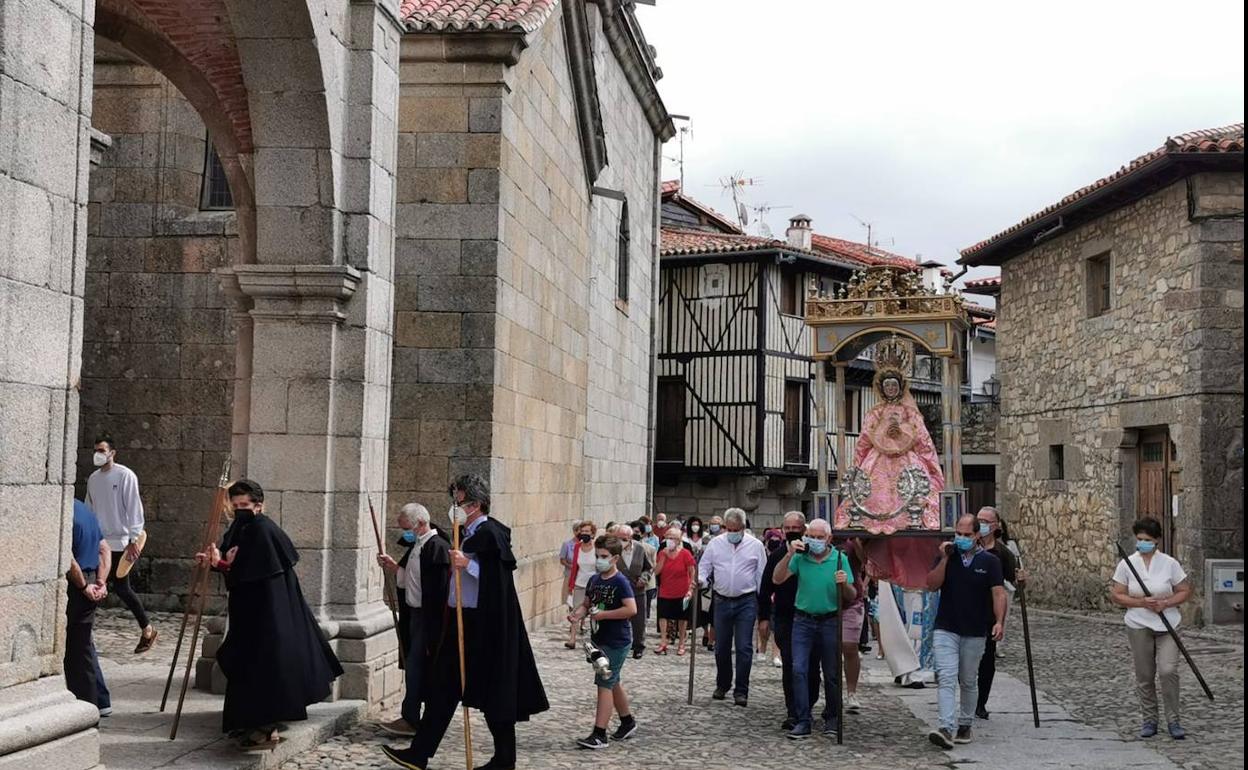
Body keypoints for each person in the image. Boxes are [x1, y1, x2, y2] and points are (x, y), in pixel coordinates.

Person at [382, 474, 549, 770]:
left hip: (484, 628)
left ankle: (504, 758)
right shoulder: (465, 532)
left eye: (459, 501)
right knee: (442, 689)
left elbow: (498, 581)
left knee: (495, 690)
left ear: (475, 503)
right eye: (454, 500)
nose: (455, 506)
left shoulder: (490, 533)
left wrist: (467, 564)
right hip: (461, 623)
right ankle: (419, 754)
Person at [196, 479, 344, 751]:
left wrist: (221, 565)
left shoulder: (264, 531)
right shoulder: (241, 528)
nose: (239, 509)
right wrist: (214, 562)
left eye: (245, 505)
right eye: (235, 505)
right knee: (243, 667)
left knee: (261, 671)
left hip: (265, 616)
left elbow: (253, 574)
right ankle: (248, 726)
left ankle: (265, 730)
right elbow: (235, 564)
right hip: (247, 613)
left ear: (259, 505)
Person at [924, 514, 1006, 749]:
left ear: (977, 535)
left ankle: (965, 723)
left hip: (975, 629)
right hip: (946, 627)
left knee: (968, 680)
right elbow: (931, 584)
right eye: (958, 534)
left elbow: (998, 592)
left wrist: (999, 621)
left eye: (966, 535)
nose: (961, 538)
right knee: (947, 676)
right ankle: (945, 727)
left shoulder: (990, 562)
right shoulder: (948, 557)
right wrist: (943, 559)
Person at [771, 518, 856, 739]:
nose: (815, 541)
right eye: (812, 537)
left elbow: (851, 595)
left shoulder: (839, 559)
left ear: (828, 539)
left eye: (820, 537)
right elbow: (777, 579)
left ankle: (832, 717)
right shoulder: (800, 557)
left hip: (829, 620)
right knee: (798, 669)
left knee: (831, 672)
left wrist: (844, 583)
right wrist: (789, 554)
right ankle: (802, 718)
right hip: (803, 620)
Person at [1110, 517, 1192, 740]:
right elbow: (1117, 594)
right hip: (1138, 624)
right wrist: (1141, 603)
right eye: (1139, 539)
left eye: (1147, 539)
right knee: (1145, 675)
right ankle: (1149, 720)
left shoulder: (1169, 563)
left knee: (1168, 671)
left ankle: (1174, 720)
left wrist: (1166, 603)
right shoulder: (1127, 564)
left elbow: (1184, 590)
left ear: (1157, 540)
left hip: (1168, 624)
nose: (1142, 543)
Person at [377, 503, 451, 737]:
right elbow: (412, 578)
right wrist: (394, 568)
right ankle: (412, 717)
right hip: (415, 615)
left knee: (417, 668)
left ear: (419, 524)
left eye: (406, 526)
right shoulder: (418, 545)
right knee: (413, 666)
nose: (403, 531)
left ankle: (413, 719)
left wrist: (434, 627)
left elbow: (438, 590)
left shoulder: (437, 547)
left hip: (429, 620)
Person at [85, 434, 157, 653]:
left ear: (112, 453)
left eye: (102, 450)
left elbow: (134, 508)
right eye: (96, 450)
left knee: (122, 588)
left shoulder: (125, 476)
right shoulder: (93, 478)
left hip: (122, 541)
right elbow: (89, 508)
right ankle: (84, 636)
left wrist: (134, 539)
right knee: (94, 585)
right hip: (100, 541)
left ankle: (147, 629)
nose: (98, 454)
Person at [569, 536, 639, 749]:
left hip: (617, 641)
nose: (599, 560)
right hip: (599, 639)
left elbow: (631, 609)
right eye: (597, 556)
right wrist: (577, 614)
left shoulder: (620, 582)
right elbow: (587, 604)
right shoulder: (594, 580)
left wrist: (604, 615)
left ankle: (600, 734)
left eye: (603, 557)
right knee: (612, 680)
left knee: (604, 682)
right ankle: (627, 721)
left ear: (615, 558)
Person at [759, 512, 823, 730]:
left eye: (796, 527)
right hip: (786, 617)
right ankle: (793, 712)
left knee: (812, 667)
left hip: (811, 617)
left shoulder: (813, 555)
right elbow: (767, 586)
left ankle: (809, 703)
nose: (791, 531)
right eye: (787, 528)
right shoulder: (777, 555)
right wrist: (764, 617)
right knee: (791, 666)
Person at [698, 508, 768, 706]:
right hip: (721, 600)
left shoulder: (756, 546)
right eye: (729, 529)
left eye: (736, 529)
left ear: (743, 528)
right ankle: (723, 684)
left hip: (746, 600)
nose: (732, 533)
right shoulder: (715, 544)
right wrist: (700, 580)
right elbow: (704, 567)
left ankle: (741, 690)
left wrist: (763, 606)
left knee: (744, 647)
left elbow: (761, 575)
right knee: (721, 647)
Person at [973, 506, 1025, 719]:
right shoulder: (966, 547)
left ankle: (980, 703)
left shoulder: (1003, 553)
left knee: (987, 660)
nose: (981, 525)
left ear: (995, 526)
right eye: (979, 520)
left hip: (988, 613)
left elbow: (1013, 583)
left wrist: (1022, 582)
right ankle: (969, 696)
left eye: (986, 521)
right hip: (966, 610)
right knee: (964, 661)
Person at [65, 498, 113, 717]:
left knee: (75, 651)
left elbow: (67, 557)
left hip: (76, 583)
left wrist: (84, 586)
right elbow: (104, 548)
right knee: (84, 645)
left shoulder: (65, 511)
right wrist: (101, 581)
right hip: (91, 577)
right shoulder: (86, 511)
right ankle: (99, 701)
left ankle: (86, 707)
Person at [653, 526, 696, 655]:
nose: (669, 540)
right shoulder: (662, 553)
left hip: (682, 590)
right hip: (666, 589)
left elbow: (691, 571)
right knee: (663, 616)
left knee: (682, 618)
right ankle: (663, 641)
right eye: (667, 538)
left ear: (678, 540)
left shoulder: (685, 553)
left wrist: (690, 588)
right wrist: (664, 557)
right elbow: (657, 571)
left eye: (672, 538)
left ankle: (681, 643)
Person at [613, 525, 652, 659]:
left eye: (624, 539)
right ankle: (617, 644)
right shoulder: (613, 550)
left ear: (630, 538)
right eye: (618, 538)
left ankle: (638, 646)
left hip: (637, 590)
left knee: (639, 621)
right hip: (618, 591)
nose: (621, 541)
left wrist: (644, 578)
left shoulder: (640, 549)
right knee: (617, 618)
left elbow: (648, 568)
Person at [839, 538, 869, 714]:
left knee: (849, 646)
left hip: (851, 600)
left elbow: (865, 561)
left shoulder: (852, 542)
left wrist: (857, 540)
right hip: (827, 601)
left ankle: (851, 692)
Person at [566, 521, 599, 649]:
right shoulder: (577, 547)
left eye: (587, 531)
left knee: (595, 612)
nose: (584, 534)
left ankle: (595, 640)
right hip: (580, 583)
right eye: (582, 531)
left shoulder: (597, 548)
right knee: (575, 611)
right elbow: (575, 567)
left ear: (592, 533)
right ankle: (572, 639)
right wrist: (571, 585)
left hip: (594, 584)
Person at [560, 521, 581, 606]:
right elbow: (562, 560)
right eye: (578, 530)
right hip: (570, 575)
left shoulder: (586, 545)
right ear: (575, 531)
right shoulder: (567, 544)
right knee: (570, 599)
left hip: (582, 575)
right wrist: (571, 566)